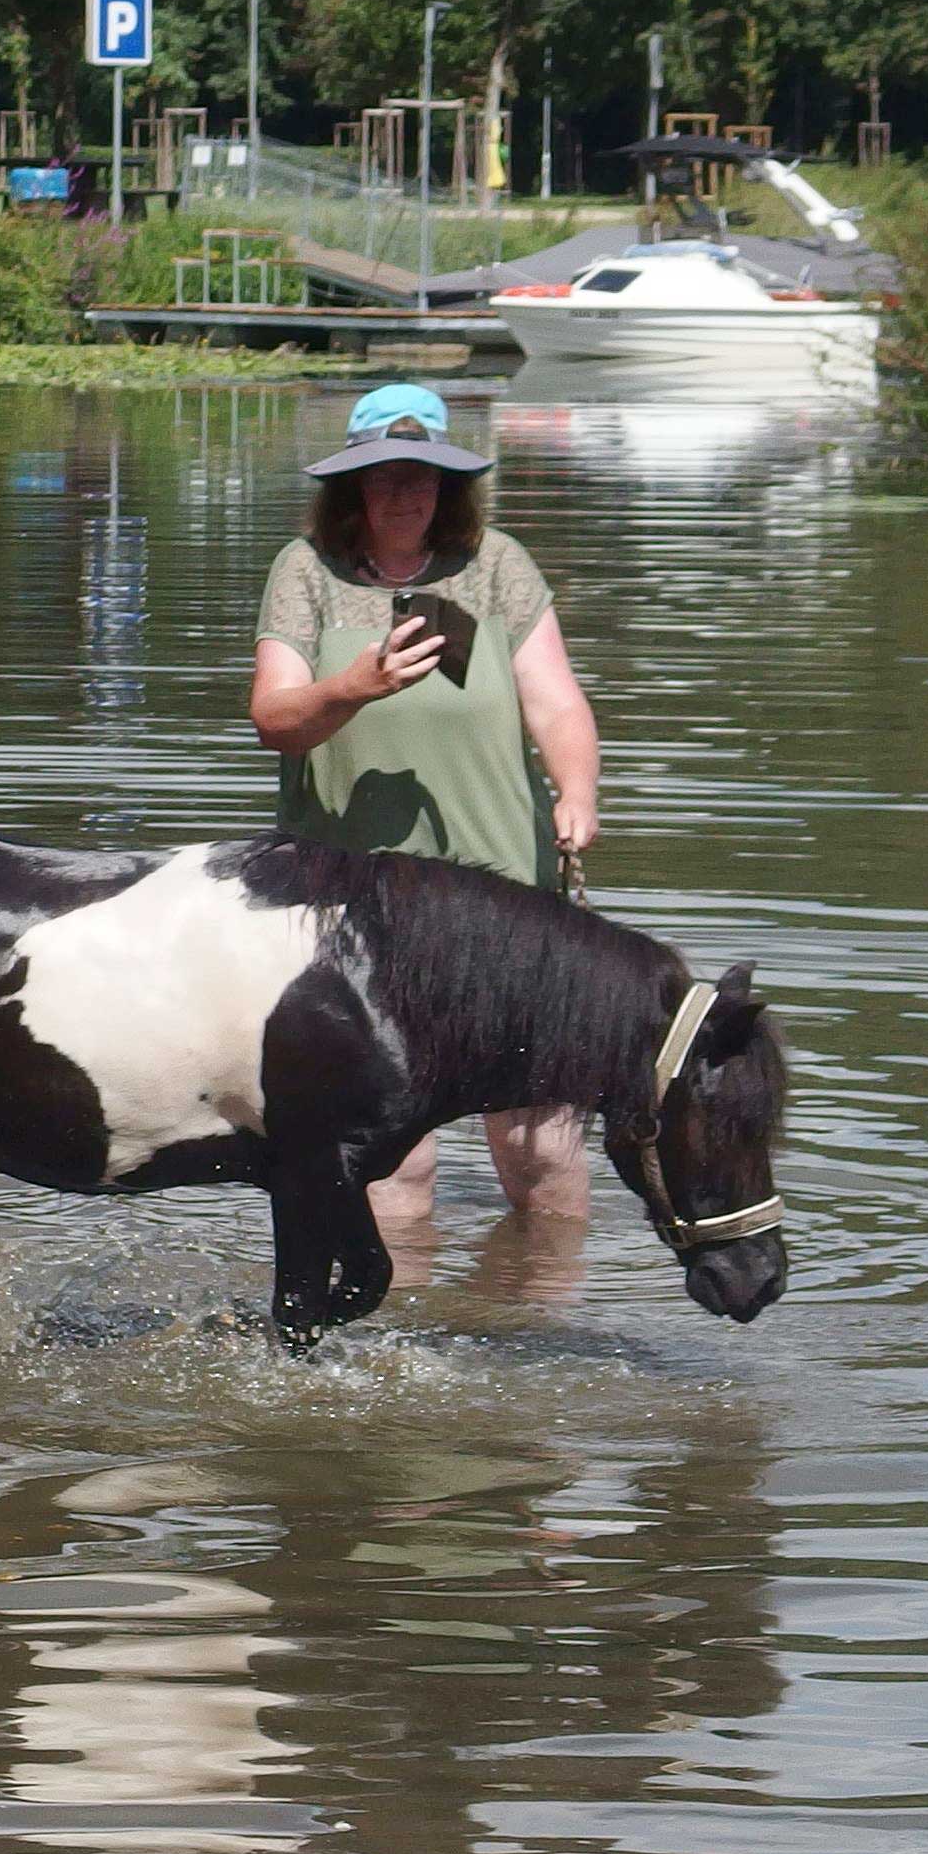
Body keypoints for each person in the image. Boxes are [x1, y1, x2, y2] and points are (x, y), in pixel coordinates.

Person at [249, 381, 604, 1226]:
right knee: (393, 1170)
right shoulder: (308, 573)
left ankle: (544, 1328)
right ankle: (400, 1339)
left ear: (450, 485)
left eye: (422, 475)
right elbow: (275, 719)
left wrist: (578, 789)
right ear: (352, 487)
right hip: (354, 907)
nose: (403, 492)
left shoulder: (496, 568)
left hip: (504, 897)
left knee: (543, 1155)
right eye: (382, 475)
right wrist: (354, 686)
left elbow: (555, 700)